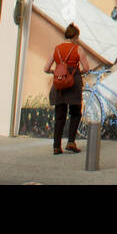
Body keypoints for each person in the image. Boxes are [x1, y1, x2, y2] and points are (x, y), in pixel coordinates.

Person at [45, 24, 89, 154]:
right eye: (77, 37)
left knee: (60, 116)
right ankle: (71, 142)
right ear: (75, 36)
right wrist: (77, 73)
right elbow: (86, 68)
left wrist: (55, 72)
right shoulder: (78, 49)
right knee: (75, 113)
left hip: (59, 84)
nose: (78, 39)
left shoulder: (56, 49)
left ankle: (56, 146)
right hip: (73, 83)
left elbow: (46, 68)